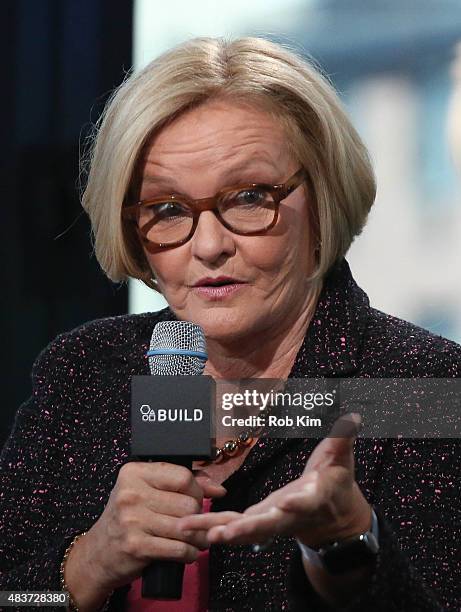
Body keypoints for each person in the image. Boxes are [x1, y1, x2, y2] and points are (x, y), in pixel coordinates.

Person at [0, 36, 460, 612]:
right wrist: (86, 566)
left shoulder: (425, 390)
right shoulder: (85, 374)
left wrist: (345, 547)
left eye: (248, 197)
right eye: (167, 209)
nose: (210, 246)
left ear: (321, 200)